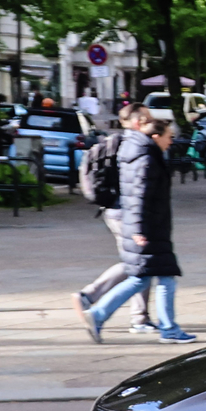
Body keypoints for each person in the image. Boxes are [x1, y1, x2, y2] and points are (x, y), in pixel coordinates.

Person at [74, 103, 154, 333]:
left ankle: (135, 315)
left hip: (116, 209)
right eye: (148, 118)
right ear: (138, 121)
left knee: (138, 262)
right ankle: (92, 298)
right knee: (139, 262)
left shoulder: (116, 142)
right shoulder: (133, 145)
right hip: (125, 212)